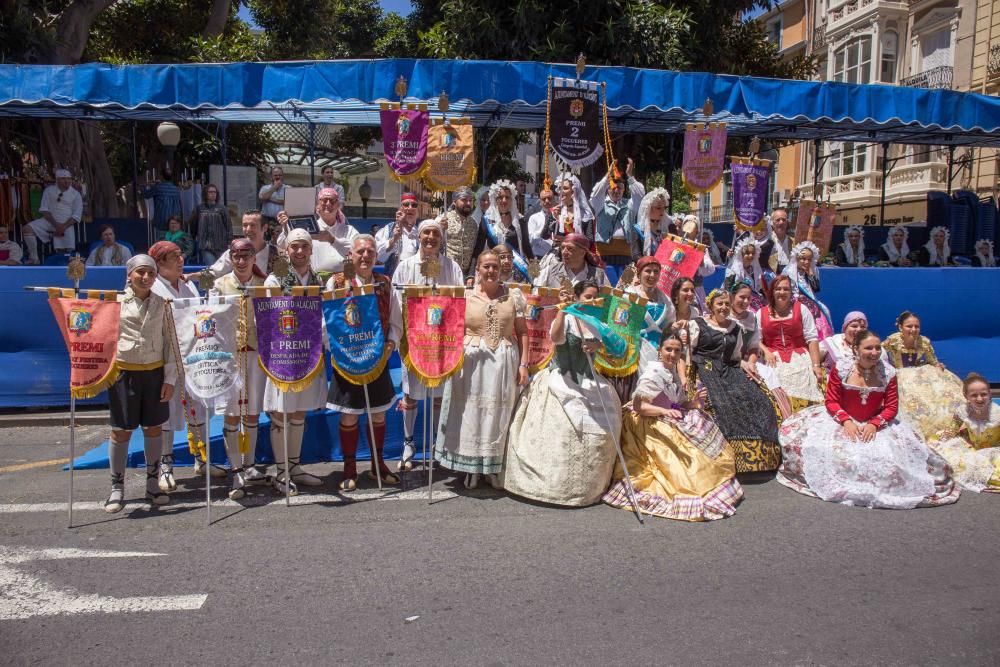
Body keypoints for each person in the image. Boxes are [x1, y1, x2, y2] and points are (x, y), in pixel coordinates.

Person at [776, 329, 958, 509]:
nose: (874, 353)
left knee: (893, 459)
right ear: (856, 349)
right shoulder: (842, 368)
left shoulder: (888, 373)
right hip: (842, 419)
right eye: (868, 348)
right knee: (830, 453)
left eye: (878, 348)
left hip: (875, 421)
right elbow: (831, 401)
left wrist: (874, 424)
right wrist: (846, 421)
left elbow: (891, 406)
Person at [503, 280, 620, 506]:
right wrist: (562, 312)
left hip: (589, 380)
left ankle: (589, 487)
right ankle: (550, 486)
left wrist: (599, 347)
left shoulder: (597, 324)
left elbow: (618, 351)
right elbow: (555, 338)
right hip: (562, 379)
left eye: (595, 296)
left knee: (604, 428)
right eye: (587, 296)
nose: (592, 301)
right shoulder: (567, 318)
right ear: (577, 298)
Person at [604, 334, 743, 521]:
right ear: (660, 350)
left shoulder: (671, 372)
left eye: (677, 350)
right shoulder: (653, 373)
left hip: (666, 414)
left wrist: (694, 403)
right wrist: (664, 411)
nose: (672, 354)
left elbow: (677, 404)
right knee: (685, 462)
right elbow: (640, 407)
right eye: (668, 349)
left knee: (701, 427)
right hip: (649, 421)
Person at [436, 251, 529, 489]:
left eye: (495, 267)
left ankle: (494, 468)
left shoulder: (513, 296)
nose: (490, 271)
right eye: (486, 266)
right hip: (472, 362)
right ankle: (472, 468)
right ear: (477, 270)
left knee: (498, 415)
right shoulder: (465, 297)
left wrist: (524, 364)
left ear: (501, 269)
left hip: (504, 362)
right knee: (471, 414)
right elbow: (450, 330)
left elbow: (523, 332)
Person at [325, 235, 402, 491]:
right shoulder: (336, 282)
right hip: (348, 360)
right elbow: (327, 323)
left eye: (370, 251)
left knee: (377, 413)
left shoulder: (384, 283)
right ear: (351, 255)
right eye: (360, 252)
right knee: (349, 416)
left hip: (376, 359)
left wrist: (391, 343)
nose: (366, 256)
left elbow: (395, 318)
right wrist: (338, 348)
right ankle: (349, 468)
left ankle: (378, 464)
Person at [102, 255, 176, 513]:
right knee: (121, 430)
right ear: (130, 274)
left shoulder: (163, 304)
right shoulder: (115, 303)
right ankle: (116, 487)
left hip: (154, 373)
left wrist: (170, 379)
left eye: (151, 273)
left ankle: (152, 484)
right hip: (124, 373)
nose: (146, 278)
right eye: (140, 272)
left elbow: (170, 343)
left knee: (154, 428)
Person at [391, 219, 465, 472]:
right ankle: (409, 442)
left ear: (441, 238)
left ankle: (438, 443)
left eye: (435, 233)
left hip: (441, 339)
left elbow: (459, 300)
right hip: (414, 338)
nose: (431, 237)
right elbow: (395, 300)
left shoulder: (451, 267)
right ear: (419, 237)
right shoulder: (405, 266)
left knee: (438, 393)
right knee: (411, 391)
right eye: (426, 233)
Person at [686, 289, 781, 474]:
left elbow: (736, 356)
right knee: (719, 404)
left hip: (728, 369)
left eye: (726, 304)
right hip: (704, 369)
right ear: (711, 306)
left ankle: (757, 459)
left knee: (758, 400)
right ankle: (726, 458)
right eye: (719, 304)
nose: (723, 307)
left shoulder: (736, 327)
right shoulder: (697, 324)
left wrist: (745, 366)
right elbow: (689, 352)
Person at [262, 228, 327, 494]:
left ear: (311, 250)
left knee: (299, 410)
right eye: (294, 247)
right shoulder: (274, 279)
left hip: (309, 353)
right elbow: (267, 316)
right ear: (286, 251)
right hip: (283, 354)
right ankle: (280, 472)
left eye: (304, 246)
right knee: (281, 412)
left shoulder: (319, 280)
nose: (299, 251)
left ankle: (294, 466)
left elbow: (325, 312)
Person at [148, 240, 214, 490]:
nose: (181, 260)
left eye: (180, 255)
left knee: (198, 407)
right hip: (165, 359)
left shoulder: (189, 287)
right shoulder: (153, 288)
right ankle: (166, 465)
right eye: (174, 256)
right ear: (160, 262)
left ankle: (202, 459)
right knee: (168, 412)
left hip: (193, 357)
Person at [212, 238, 269, 500]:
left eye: (246, 255)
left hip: (256, 354)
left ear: (254, 257)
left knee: (253, 411)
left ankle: (249, 464)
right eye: (236, 256)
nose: (242, 260)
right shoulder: (220, 285)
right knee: (232, 412)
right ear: (231, 258)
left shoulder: (263, 284)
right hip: (230, 356)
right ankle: (235, 468)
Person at [882, 311, 964, 440]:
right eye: (909, 326)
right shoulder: (892, 340)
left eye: (916, 326)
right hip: (900, 375)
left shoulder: (924, 341)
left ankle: (949, 423)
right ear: (900, 327)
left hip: (919, 373)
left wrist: (938, 368)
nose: (913, 329)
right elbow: (879, 354)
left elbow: (933, 360)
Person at [756, 274, 824, 412]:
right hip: (772, 357)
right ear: (772, 292)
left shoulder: (802, 309)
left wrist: (816, 365)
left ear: (791, 292)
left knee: (805, 380)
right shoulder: (761, 313)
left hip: (799, 355)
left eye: (786, 289)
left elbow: (812, 338)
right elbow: (755, 339)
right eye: (778, 289)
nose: (782, 292)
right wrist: (767, 351)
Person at [728, 280, 794, 420]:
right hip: (728, 361)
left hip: (747, 360)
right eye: (741, 297)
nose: (745, 301)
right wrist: (740, 363)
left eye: (748, 298)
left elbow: (753, 345)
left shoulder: (751, 317)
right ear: (732, 297)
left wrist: (751, 362)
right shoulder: (724, 315)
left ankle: (782, 419)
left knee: (767, 374)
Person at [930, 373, 1000, 493]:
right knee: (942, 454)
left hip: (994, 449)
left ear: (989, 394)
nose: (979, 399)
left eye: (983, 394)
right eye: (974, 395)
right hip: (971, 447)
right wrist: (940, 442)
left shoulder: (997, 413)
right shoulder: (962, 411)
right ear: (966, 396)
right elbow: (951, 430)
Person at [277, 186, 358, 274]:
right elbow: (282, 244)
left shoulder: (349, 230)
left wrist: (332, 239)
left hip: (342, 280)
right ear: (317, 205)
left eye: (332, 200)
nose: (328, 204)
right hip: (315, 280)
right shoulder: (309, 227)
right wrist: (285, 226)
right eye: (324, 200)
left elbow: (357, 249)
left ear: (338, 205)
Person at [590, 158, 645, 266]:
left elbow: (640, 196)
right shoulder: (600, 204)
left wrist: (630, 176)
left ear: (624, 189)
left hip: (625, 254)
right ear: (607, 189)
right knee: (604, 282)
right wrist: (607, 176)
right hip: (604, 253)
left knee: (623, 282)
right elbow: (595, 194)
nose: (616, 190)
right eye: (613, 188)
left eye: (619, 188)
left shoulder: (630, 204)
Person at [23, 169, 83, 264]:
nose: (67, 181)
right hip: (49, 221)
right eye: (63, 179)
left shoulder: (76, 194)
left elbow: (76, 215)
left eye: (68, 179)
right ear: (57, 180)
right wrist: (56, 225)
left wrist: (62, 227)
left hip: (66, 224)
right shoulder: (49, 191)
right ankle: (34, 258)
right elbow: (44, 209)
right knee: (27, 229)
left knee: (63, 252)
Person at [626, 256, 675, 372]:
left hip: (658, 349)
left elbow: (670, 324)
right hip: (634, 349)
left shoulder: (665, 299)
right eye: (648, 271)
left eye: (656, 272)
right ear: (639, 274)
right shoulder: (628, 294)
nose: (652, 275)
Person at [783, 240, 833, 340]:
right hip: (793, 304)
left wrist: (810, 273)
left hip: (810, 304)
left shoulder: (811, 272)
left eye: (809, 259)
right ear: (797, 258)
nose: (806, 262)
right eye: (803, 259)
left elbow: (816, 289)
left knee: (824, 311)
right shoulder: (788, 271)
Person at [482, 179, 535, 274]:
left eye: (507, 197)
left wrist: (534, 267)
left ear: (512, 200)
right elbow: (478, 248)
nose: (504, 200)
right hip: (494, 271)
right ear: (495, 199)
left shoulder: (520, 221)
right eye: (500, 197)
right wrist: (471, 275)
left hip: (515, 271)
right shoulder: (487, 220)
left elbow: (526, 246)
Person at [207, 210, 279, 279]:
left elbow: (285, 283)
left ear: (265, 227)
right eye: (245, 225)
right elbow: (212, 274)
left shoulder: (276, 254)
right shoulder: (234, 252)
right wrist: (195, 277)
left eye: (252, 225)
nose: (248, 229)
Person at [442, 186, 487, 278]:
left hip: (467, 275)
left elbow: (476, 250)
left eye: (470, 200)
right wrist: (441, 229)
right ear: (454, 201)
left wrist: (471, 274)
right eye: (464, 200)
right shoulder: (443, 219)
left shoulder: (474, 223)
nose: (468, 203)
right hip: (447, 271)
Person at [534, 233, 609, 289]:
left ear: (583, 252)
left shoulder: (599, 275)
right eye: (562, 247)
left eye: (570, 248)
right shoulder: (549, 271)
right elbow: (535, 297)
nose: (564, 252)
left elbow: (608, 303)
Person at [374, 191, 420, 276]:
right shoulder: (389, 229)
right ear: (400, 209)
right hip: (394, 281)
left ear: (418, 210)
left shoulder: (421, 231)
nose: (410, 208)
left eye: (414, 205)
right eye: (406, 205)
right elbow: (377, 255)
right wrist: (393, 240)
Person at [679, 215, 717, 308]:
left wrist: (702, 263)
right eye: (687, 224)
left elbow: (710, 269)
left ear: (697, 231)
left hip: (696, 288)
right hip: (679, 287)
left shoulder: (701, 248)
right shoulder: (677, 243)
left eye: (693, 226)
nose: (689, 228)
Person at [193, 183, 231, 266]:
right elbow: (195, 225)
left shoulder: (222, 208)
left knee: (222, 269)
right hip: (205, 245)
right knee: (212, 269)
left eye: (214, 192)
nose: (213, 194)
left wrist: (229, 241)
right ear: (205, 193)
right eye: (210, 192)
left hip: (221, 245)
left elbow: (228, 225)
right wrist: (194, 238)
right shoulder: (200, 208)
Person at [723, 238, 767, 309]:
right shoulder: (733, 270)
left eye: (753, 253)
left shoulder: (755, 270)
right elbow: (728, 290)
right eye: (747, 253)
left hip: (754, 301)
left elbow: (759, 288)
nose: (750, 256)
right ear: (741, 254)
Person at [554, 173, 596, 241]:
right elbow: (545, 235)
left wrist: (568, 241)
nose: (561, 191)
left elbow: (590, 240)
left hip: (579, 250)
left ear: (574, 191)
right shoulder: (558, 211)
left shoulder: (585, 214)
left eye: (565, 188)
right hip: (561, 250)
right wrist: (555, 218)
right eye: (560, 188)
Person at [141, 170, 182, 237]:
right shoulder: (176, 189)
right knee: (173, 244)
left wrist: (144, 186)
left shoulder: (158, 188)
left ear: (162, 177)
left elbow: (146, 195)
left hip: (161, 221)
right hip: (174, 221)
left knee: (162, 244)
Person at [635, 188, 672, 256]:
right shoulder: (638, 230)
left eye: (665, 208)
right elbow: (636, 254)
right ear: (648, 208)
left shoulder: (668, 227)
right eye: (658, 208)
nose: (662, 211)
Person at [526, 186, 557, 259]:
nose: (546, 201)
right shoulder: (534, 218)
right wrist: (543, 231)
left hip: (556, 257)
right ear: (540, 202)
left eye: (549, 198)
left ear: (554, 200)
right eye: (543, 199)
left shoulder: (560, 217)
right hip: (539, 258)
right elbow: (531, 240)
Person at [258, 165, 285, 236]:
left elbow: (286, 201)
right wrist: (275, 187)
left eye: (280, 175)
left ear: (283, 176)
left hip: (281, 220)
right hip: (267, 220)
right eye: (275, 175)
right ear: (271, 177)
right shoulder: (265, 188)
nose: (278, 177)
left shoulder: (288, 188)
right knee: (266, 240)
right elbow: (262, 197)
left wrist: (268, 198)